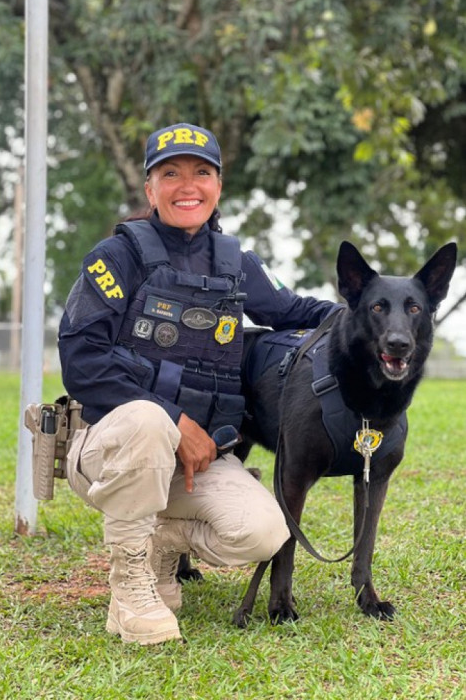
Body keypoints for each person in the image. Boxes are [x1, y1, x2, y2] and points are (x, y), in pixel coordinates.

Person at [58, 122, 337, 645]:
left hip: (198, 461)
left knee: (265, 532)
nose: (187, 185)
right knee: (146, 418)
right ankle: (131, 588)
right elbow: (82, 358)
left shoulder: (236, 264)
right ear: (150, 189)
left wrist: (368, 311)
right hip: (109, 450)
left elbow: (296, 309)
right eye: (171, 173)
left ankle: (162, 542)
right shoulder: (114, 257)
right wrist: (174, 418)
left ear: (218, 185)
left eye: (201, 172)